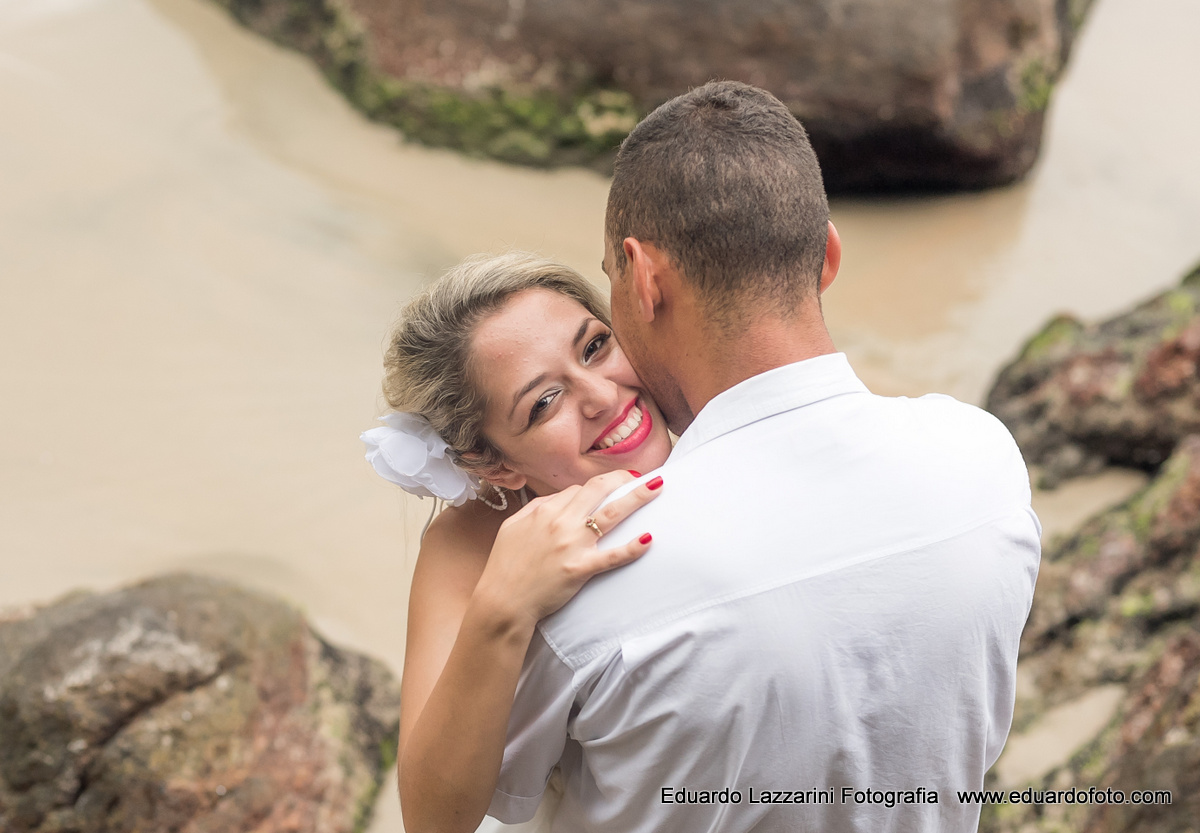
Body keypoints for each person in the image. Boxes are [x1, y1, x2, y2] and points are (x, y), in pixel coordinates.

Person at [486, 81, 1041, 832]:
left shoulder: (589, 576)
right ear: (828, 255)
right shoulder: (986, 467)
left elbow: (476, 803)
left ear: (644, 278)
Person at [361, 252, 676, 833]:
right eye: (544, 402)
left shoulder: (717, 418)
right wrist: (505, 605)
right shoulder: (471, 542)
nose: (602, 396)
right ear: (496, 464)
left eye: (594, 347)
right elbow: (432, 820)